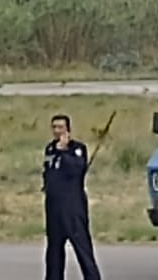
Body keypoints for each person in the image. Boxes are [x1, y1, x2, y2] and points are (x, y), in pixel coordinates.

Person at [44, 114, 103, 280]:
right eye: (54, 127)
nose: (56, 131)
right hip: (54, 206)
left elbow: (77, 169)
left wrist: (63, 151)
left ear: (68, 129)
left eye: (60, 127)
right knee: (54, 249)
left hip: (72, 205)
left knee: (81, 246)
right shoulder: (50, 148)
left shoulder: (77, 149)